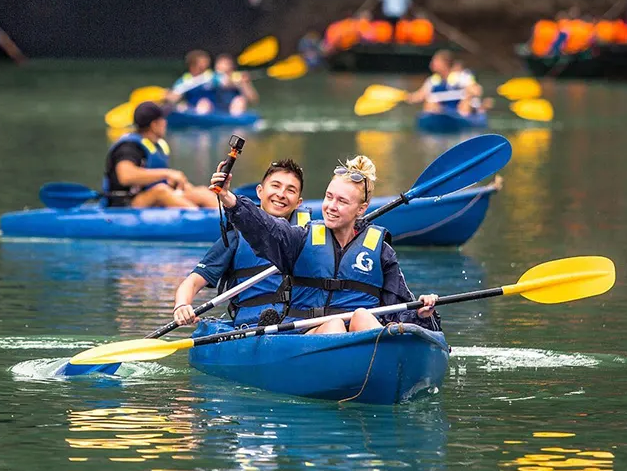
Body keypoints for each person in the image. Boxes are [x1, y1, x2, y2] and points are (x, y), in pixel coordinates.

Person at [211, 155, 440, 333]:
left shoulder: (380, 252)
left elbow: (399, 309)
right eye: (329, 197)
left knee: (361, 316)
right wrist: (229, 199)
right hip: (309, 339)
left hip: (364, 339)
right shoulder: (300, 239)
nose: (331, 206)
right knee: (334, 325)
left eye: (342, 201)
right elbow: (266, 229)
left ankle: (379, 365)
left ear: (361, 209)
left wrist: (421, 312)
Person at [172, 159, 312, 329]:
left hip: (299, 326)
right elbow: (192, 282)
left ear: (299, 202)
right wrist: (182, 305)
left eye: (290, 190)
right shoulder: (236, 238)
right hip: (252, 327)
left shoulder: (309, 237)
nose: (281, 194)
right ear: (259, 191)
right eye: (275, 186)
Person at [103, 101, 218, 209]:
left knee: (201, 192)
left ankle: (227, 218)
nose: (166, 123)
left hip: (148, 197)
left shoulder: (156, 145)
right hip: (123, 203)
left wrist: (179, 184)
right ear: (154, 125)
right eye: (163, 119)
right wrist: (167, 174)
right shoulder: (129, 147)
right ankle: (199, 220)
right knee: (161, 191)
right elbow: (126, 176)